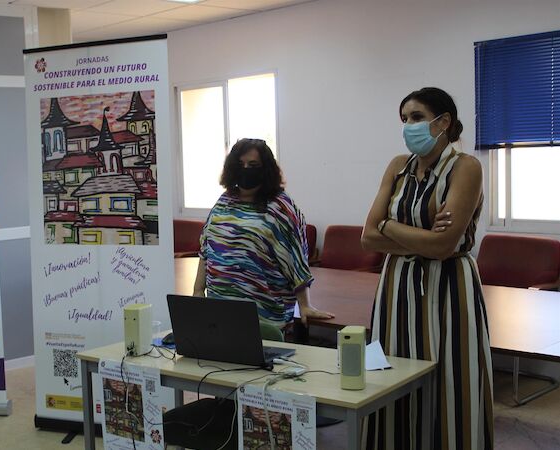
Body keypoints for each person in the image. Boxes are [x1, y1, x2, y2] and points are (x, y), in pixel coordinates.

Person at [360, 87, 492, 449]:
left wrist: (388, 224)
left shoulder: (466, 167)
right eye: (404, 119)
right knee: (392, 371)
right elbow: (368, 237)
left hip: (449, 288)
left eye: (417, 117)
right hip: (396, 287)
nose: (409, 126)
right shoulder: (397, 166)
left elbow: (443, 246)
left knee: (451, 376)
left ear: (443, 121)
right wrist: (419, 237)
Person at [194, 138, 333, 330]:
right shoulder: (224, 201)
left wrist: (305, 305)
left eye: (253, 165)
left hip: (264, 317)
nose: (245, 169)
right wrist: (198, 291)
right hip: (219, 312)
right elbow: (205, 250)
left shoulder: (280, 206)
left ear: (265, 169)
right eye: (240, 164)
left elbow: (296, 258)